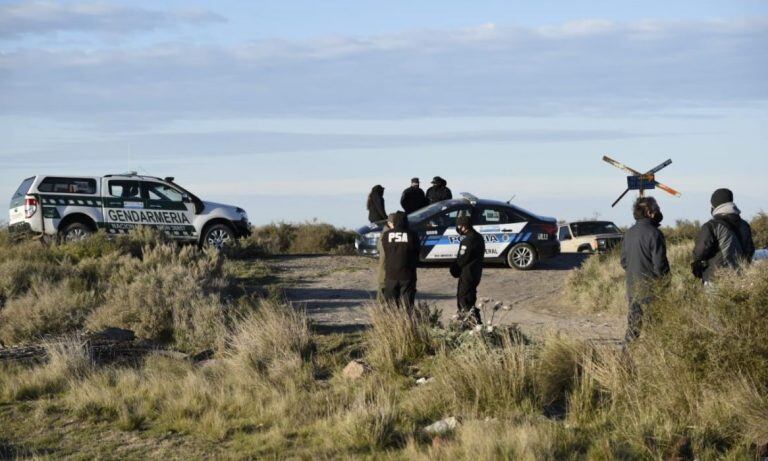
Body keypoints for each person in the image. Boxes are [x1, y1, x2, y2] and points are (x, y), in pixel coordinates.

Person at [620, 197, 670, 343]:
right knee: (656, 329)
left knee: (633, 327)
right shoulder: (655, 234)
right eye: (657, 209)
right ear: (649, 212)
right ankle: (654, 361)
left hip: (633, 288)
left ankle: (625, 360)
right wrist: (665, 284)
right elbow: (660, 265)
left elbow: (623, 261)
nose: (659, 212)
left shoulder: (628, 233)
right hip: (653, 290)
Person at [692, 188, 755, 284]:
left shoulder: (711, 226)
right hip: (741, 278)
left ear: (715, 205)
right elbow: (750, 250)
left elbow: (699, 253)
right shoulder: (744, 225)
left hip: (716, 278)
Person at [450, 215, 485, 325]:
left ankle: (473, 325)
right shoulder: (479, 237)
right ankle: (473, 324)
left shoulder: (468, 240)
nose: (458, 228)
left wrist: (453, 269)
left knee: (464, 301)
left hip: (467, 274)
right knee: (470, 299)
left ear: (464, 226)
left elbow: (462, 259)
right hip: (476, 273)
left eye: (459, 226)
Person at [381, 212, 419, 309]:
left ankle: (392, 323)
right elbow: (417, 252)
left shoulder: (386, 235)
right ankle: (406, 323)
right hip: (407, 274)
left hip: (391, 274)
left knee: (390, 306)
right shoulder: (412, 235)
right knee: (407, 306)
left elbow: (385, 250)